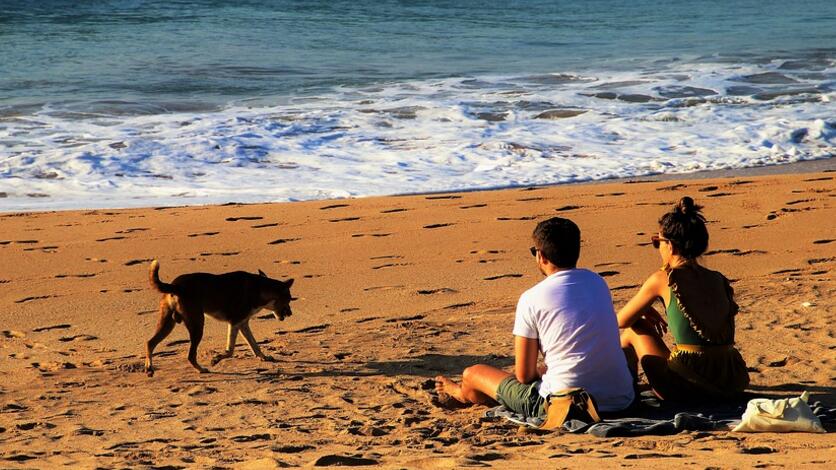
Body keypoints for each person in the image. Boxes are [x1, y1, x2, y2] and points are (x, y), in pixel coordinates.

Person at [435, 217, 635, 418]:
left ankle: (460, 393)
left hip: (564, 405)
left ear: (541, 256)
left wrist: (541, 371)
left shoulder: (531, 298)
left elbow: (524, 375)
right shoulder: (598, 283)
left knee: (473, 374)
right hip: (620, 399)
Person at [618, 197, 749, 401]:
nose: (658, 248)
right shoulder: (718, 279)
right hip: (730, 380)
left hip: (689, 387)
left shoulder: (663, 279)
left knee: (634, 330)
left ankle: (627, 393)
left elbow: (621, 320)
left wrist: (642, 312)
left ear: (670, 246)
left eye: (657, 242)